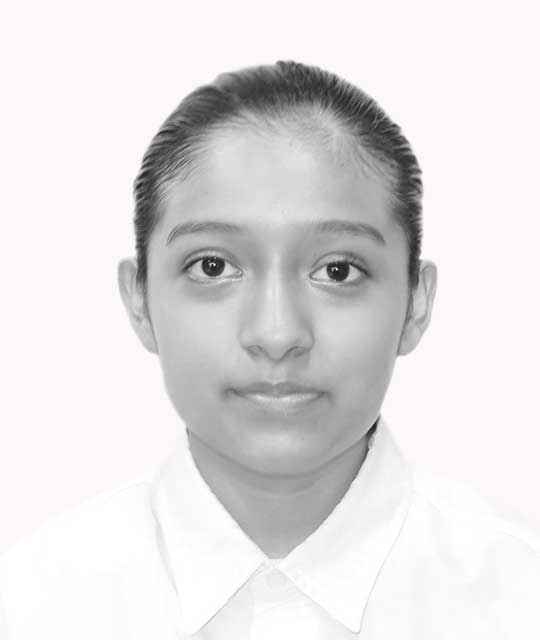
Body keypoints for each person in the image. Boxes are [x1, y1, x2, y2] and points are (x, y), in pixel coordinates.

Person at [0, 60, 539, 639]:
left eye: (338, 270)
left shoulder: (521, 597)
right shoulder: (29, 606)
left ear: (415, 304)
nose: (278, 335)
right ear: (139, 301)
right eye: (213, 266)